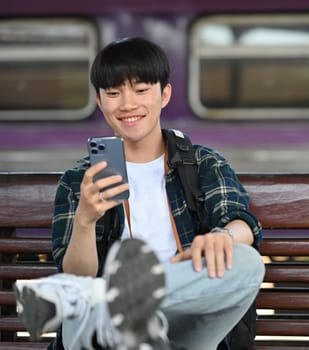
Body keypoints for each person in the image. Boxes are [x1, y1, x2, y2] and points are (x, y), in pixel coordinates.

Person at [13, 37, 265, 350]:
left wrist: (222, 238)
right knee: (82, 295)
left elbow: (243, 223)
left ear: (165, 94)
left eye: (141, 90)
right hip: (107, 339)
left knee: (248, 263)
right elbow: (77, 275)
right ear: (100, 100)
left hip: (184, 326)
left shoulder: (202, 163)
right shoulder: (80, 180)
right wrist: (85, 220)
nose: (128, 104)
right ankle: (110, 308)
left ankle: (106, 299)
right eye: (114, 93)